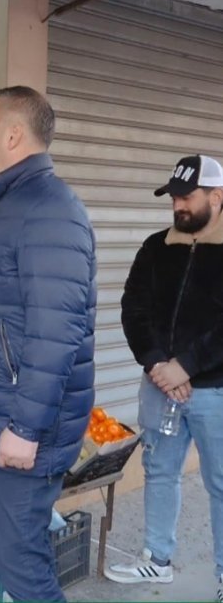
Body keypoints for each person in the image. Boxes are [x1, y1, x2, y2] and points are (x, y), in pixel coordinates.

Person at [0, 86, 97, 602]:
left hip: (27, 427)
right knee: (16, 557)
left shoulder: (47, 212)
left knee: (22, 568)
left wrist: (23, 428)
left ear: (14, 135)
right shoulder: (15, 204)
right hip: (13, 418)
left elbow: (56, 332)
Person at [106, 154, 223, 599]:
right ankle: (157, 560)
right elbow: (133, 308)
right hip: (160, 385)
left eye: (187, 196)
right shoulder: (157, 247)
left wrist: (186, 365)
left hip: (215, 390)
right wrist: (157, 363)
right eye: (174, 197)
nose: (178, 205)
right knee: (159, 470)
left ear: (217, 196)